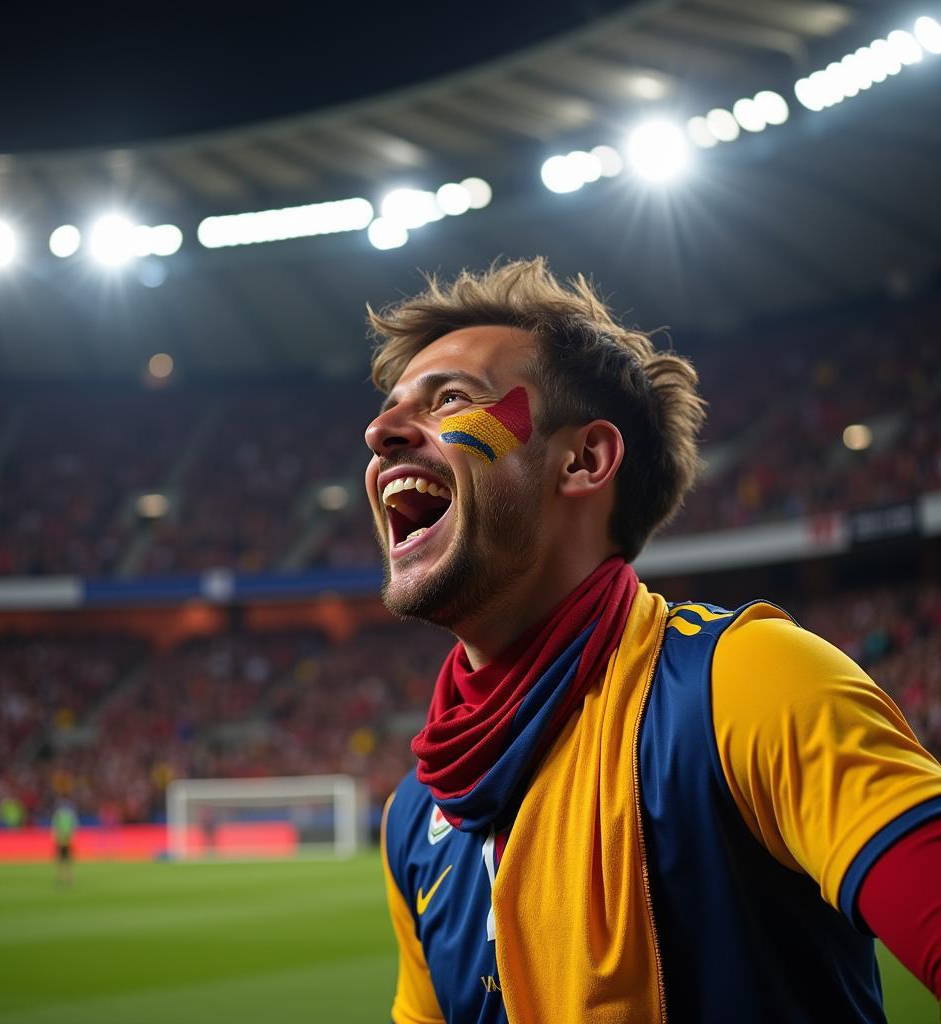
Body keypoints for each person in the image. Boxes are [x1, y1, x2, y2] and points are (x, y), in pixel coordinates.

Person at [362, 258, 941, 1023]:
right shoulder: (417, 811)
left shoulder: (747, 685)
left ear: (583, 460)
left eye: (453, 401)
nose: (378, 433)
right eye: (391, 409)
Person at [51, 799, 79, 885]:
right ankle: (68, 878)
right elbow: (74, 827)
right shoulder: (70, 815)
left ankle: (62, 879)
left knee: (62, 860)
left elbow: (54, 827)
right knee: (67, 860)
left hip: (62, 840)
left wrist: (56, 837)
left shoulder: (58, 815)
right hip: (67, 839)